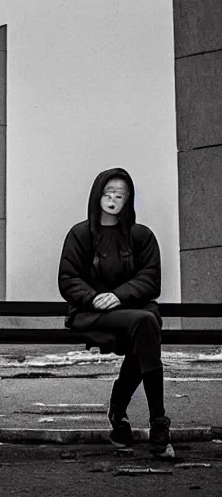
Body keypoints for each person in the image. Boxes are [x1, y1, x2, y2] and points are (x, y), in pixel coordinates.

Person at [58, 167, 174, 457]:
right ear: (97, 196)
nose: (112, 199)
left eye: (120, 195)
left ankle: (140, 417)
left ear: (128, 200)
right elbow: (68, 278)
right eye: (108, 193)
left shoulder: (142, 236)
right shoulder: (80, 234)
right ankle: (149, 421)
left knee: (145, 326)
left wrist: (119, 296)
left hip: (131, 311)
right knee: (147, 324)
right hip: (92, 313)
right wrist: (94, 297)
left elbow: (150, 278)